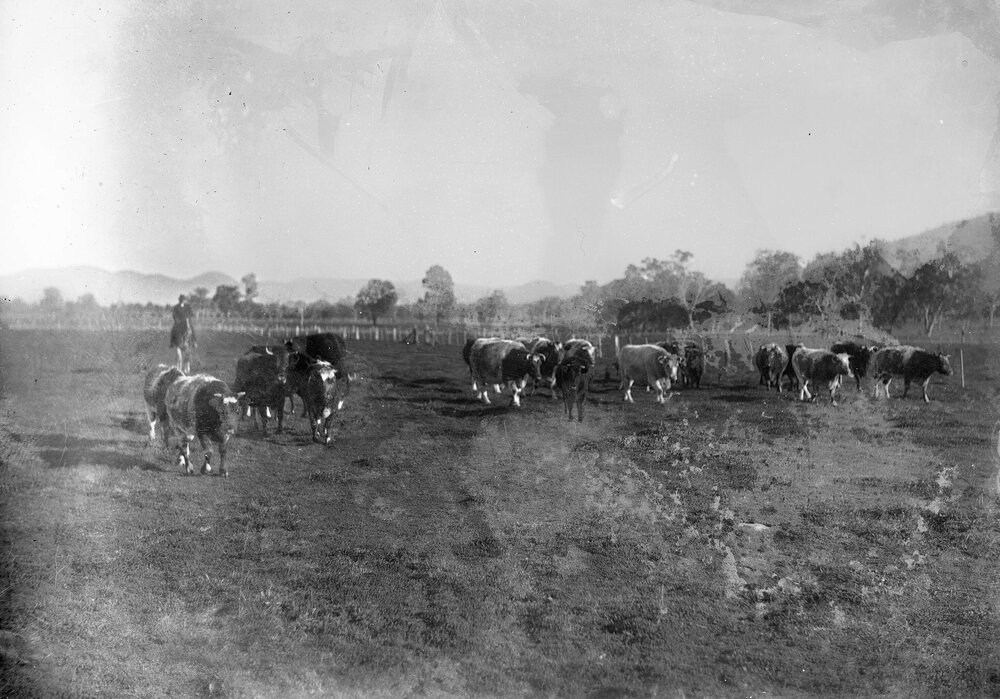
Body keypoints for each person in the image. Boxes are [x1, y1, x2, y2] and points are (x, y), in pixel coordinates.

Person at [169, 294, 196, 373]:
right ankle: (172, 342)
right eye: (181, 299)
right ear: (179, 300)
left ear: (184, 300)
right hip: (179, 322)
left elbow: (191, 313)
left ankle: (194, 341)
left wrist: (190, 315)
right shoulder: (176, 307)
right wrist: (177, 320)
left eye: (183, 299)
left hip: (186, 322)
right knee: (173, 329)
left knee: (192, 329)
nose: (182, 300)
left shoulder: (188, 306)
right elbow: (174, 315)